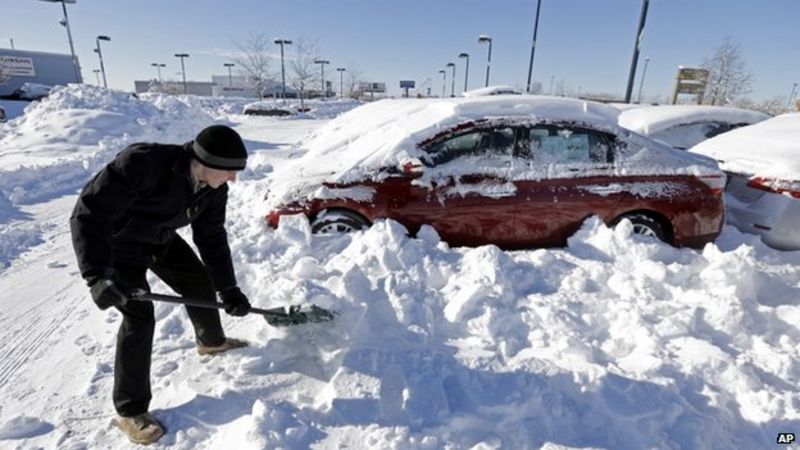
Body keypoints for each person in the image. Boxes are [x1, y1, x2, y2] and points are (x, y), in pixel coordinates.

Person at [70, 125, 253, 445]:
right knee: (139, 316)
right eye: (229, 171)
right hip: (119, 247)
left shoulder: (214, 187)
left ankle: (211, 340)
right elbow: (89, 213)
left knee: (199, 281)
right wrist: (97, 275)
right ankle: (130, 411)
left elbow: (211, 238)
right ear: (205, 161)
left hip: (160, 238)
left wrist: (229, 289)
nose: (233, 179)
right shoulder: (144, 163)